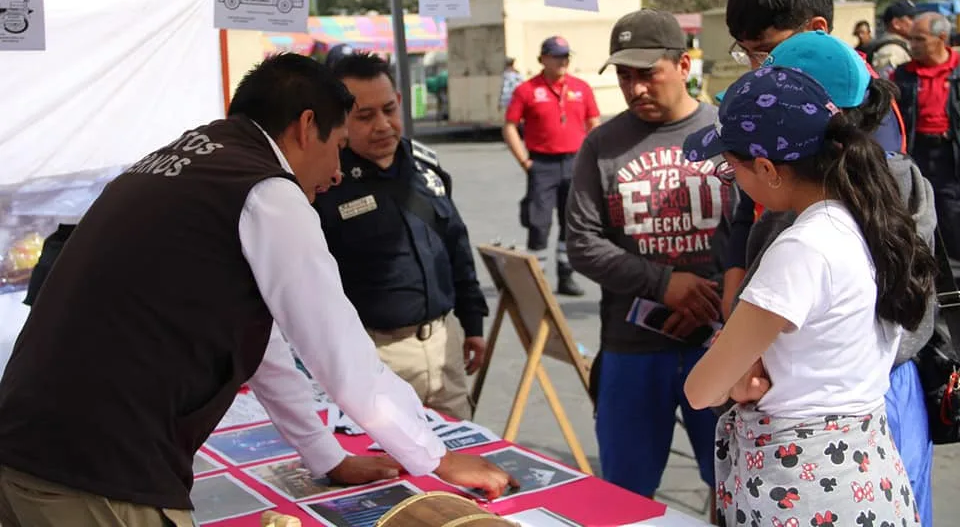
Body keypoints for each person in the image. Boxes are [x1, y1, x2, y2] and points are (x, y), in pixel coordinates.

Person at [0, 54, 513, 527]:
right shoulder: (267, 190)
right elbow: (342, 358)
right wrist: (437, 458)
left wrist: (325, 455)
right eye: (337, 147)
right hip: (98, 472)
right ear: (306, 126)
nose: (337, 173)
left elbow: (256, 335)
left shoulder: (191, 158)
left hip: (27, 445)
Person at [683, 66, 936, 527]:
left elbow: (701, 390)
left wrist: (737, 379)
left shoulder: (802, 248)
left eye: (729, 166)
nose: (730, 177)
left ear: (766, 169)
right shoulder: (870, 222)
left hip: (803, 487)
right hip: (868, 472)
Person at [566, 9, 733, 506]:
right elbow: (583, 243)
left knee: (732, 489)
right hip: (631, 346)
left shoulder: (730, 135)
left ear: (683, 65)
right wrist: (665, 286)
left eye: (647, 74)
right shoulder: (601, 145)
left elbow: (761, 233)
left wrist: (715, 296)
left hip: (721, 345)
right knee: (624, 496)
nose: (635, 89)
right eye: (624, 76)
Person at [314, 52, 487, 421]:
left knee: (461, 459)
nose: (383, 125)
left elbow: (456, 245)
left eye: (389, 110)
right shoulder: (323, 184)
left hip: (443, 347)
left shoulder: (426, 168)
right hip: (374, 356)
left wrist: (473, 324)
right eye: (364, 116)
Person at [722, 0, 907, 318]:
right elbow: (748, 206)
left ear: (816, 29)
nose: (754, 67)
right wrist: (736, 274)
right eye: (743, 52)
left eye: (764, 51)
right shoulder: (774, 95)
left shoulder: (865, 111)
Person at [503, 36, 601, 296]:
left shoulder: (581, 88)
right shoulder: (526, 90)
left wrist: (593, 158)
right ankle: (536, 278)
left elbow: (594, 123)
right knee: (539, 223)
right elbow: (510, 126)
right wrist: (525, 160)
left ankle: (566, 275)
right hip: (542, 164)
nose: (563, 61)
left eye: (566, 56)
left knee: (571, 222)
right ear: (542, 59)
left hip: (575, 162)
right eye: (557, 56)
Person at [893, 11, 960, 281]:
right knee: (919, 217)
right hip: (918, 156)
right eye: (911, 40)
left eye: (920, 39)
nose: (913, 45)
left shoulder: (956, 69)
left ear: (941, 38)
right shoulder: (904, 75)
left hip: (951, 156)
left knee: (952, 217)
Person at [866, 0, 917, 80]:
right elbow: (887, 87)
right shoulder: (891, 51)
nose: (916, 22)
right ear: (896, 24)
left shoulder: (900, 47)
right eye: (911, 18)